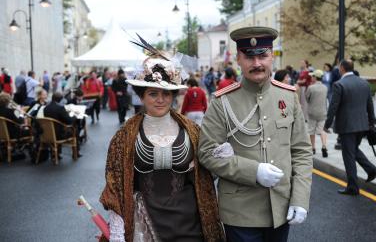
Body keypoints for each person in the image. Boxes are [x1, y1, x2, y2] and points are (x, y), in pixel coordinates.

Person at [99, 46, 224, 242]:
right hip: (145, 225)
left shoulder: (192, 130)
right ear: (141, 96)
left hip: (190, 224)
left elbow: (204, 176)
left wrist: (219, 158)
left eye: (166, 94)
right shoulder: (124, 136)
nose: (160, 100)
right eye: (153, 94)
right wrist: (117, 229)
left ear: (174, 96)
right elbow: (115, 183)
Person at [199, 27, 312, 242]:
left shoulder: (288, 97)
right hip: (240, 213)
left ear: (272, 57)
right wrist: (254, 171)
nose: (257, 63)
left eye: (263, 55)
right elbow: (207, 152)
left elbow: (302, 151)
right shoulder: (222, 102)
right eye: (249, 57)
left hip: (281, 208)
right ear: (238, 59)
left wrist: (300, 198)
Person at [324, 60, 376, 195]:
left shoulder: (339, 84)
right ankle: (371, 169)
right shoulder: (364, 83)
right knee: (353, 149)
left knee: (348, 155)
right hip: (362, 125)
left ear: (342, 68)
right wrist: (371, 122)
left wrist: (327, 125)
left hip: (347, 126)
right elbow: (370, 105)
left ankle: (353, 187)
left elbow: (333, 107)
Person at [44, 92, 81, 157]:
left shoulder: (46, 108)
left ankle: (56, 154)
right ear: (60, 100)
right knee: (75, 130)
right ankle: (76, 153)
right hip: (59, 135)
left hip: (48, 133)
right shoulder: (60, 108)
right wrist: (75, 115)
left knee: (58, 127)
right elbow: (69, 121)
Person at [306, 70, 328, 157]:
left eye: (312, 76)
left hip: (312, 112)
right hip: (322, 112)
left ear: (315, 77)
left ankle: (313, 148)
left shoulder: (311, 88)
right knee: (322, 130)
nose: (311, 77)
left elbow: (307, 98)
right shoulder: (325, 87)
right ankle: (324, 146)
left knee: (311, 130)